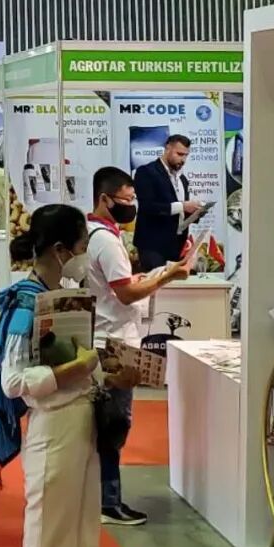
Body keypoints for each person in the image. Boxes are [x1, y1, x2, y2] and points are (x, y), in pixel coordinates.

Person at [0, 204, 135, 547]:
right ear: (58, 250)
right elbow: (13, 380)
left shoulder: (69, 296)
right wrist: (75, 368)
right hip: (53, 432)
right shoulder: (27, 303)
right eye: (78, 247)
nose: (81, 256)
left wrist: (108, 369)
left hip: (84, 426)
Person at [87, 166, 193, 527]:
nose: (132, 206)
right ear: (105, 199)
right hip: (114, 343)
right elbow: (126, 293)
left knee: (106, 425)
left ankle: (103, 497)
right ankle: (108, 501)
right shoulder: (105, 241)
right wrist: (166, 276)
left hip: (105, 336)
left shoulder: (95, 235)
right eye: (127, 199)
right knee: (114, 425)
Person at [133, 134, 208, 271]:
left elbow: (180, 214)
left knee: (173, 284)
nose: (183, 160)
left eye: (186, 155)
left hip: (176, 245)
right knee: (156, 283)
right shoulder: (146, 172)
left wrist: (196, 213)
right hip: (152, 245)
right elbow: (147, 207)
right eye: (179, 154)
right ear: (167, 148)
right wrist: (183, 206)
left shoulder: (183, 179)